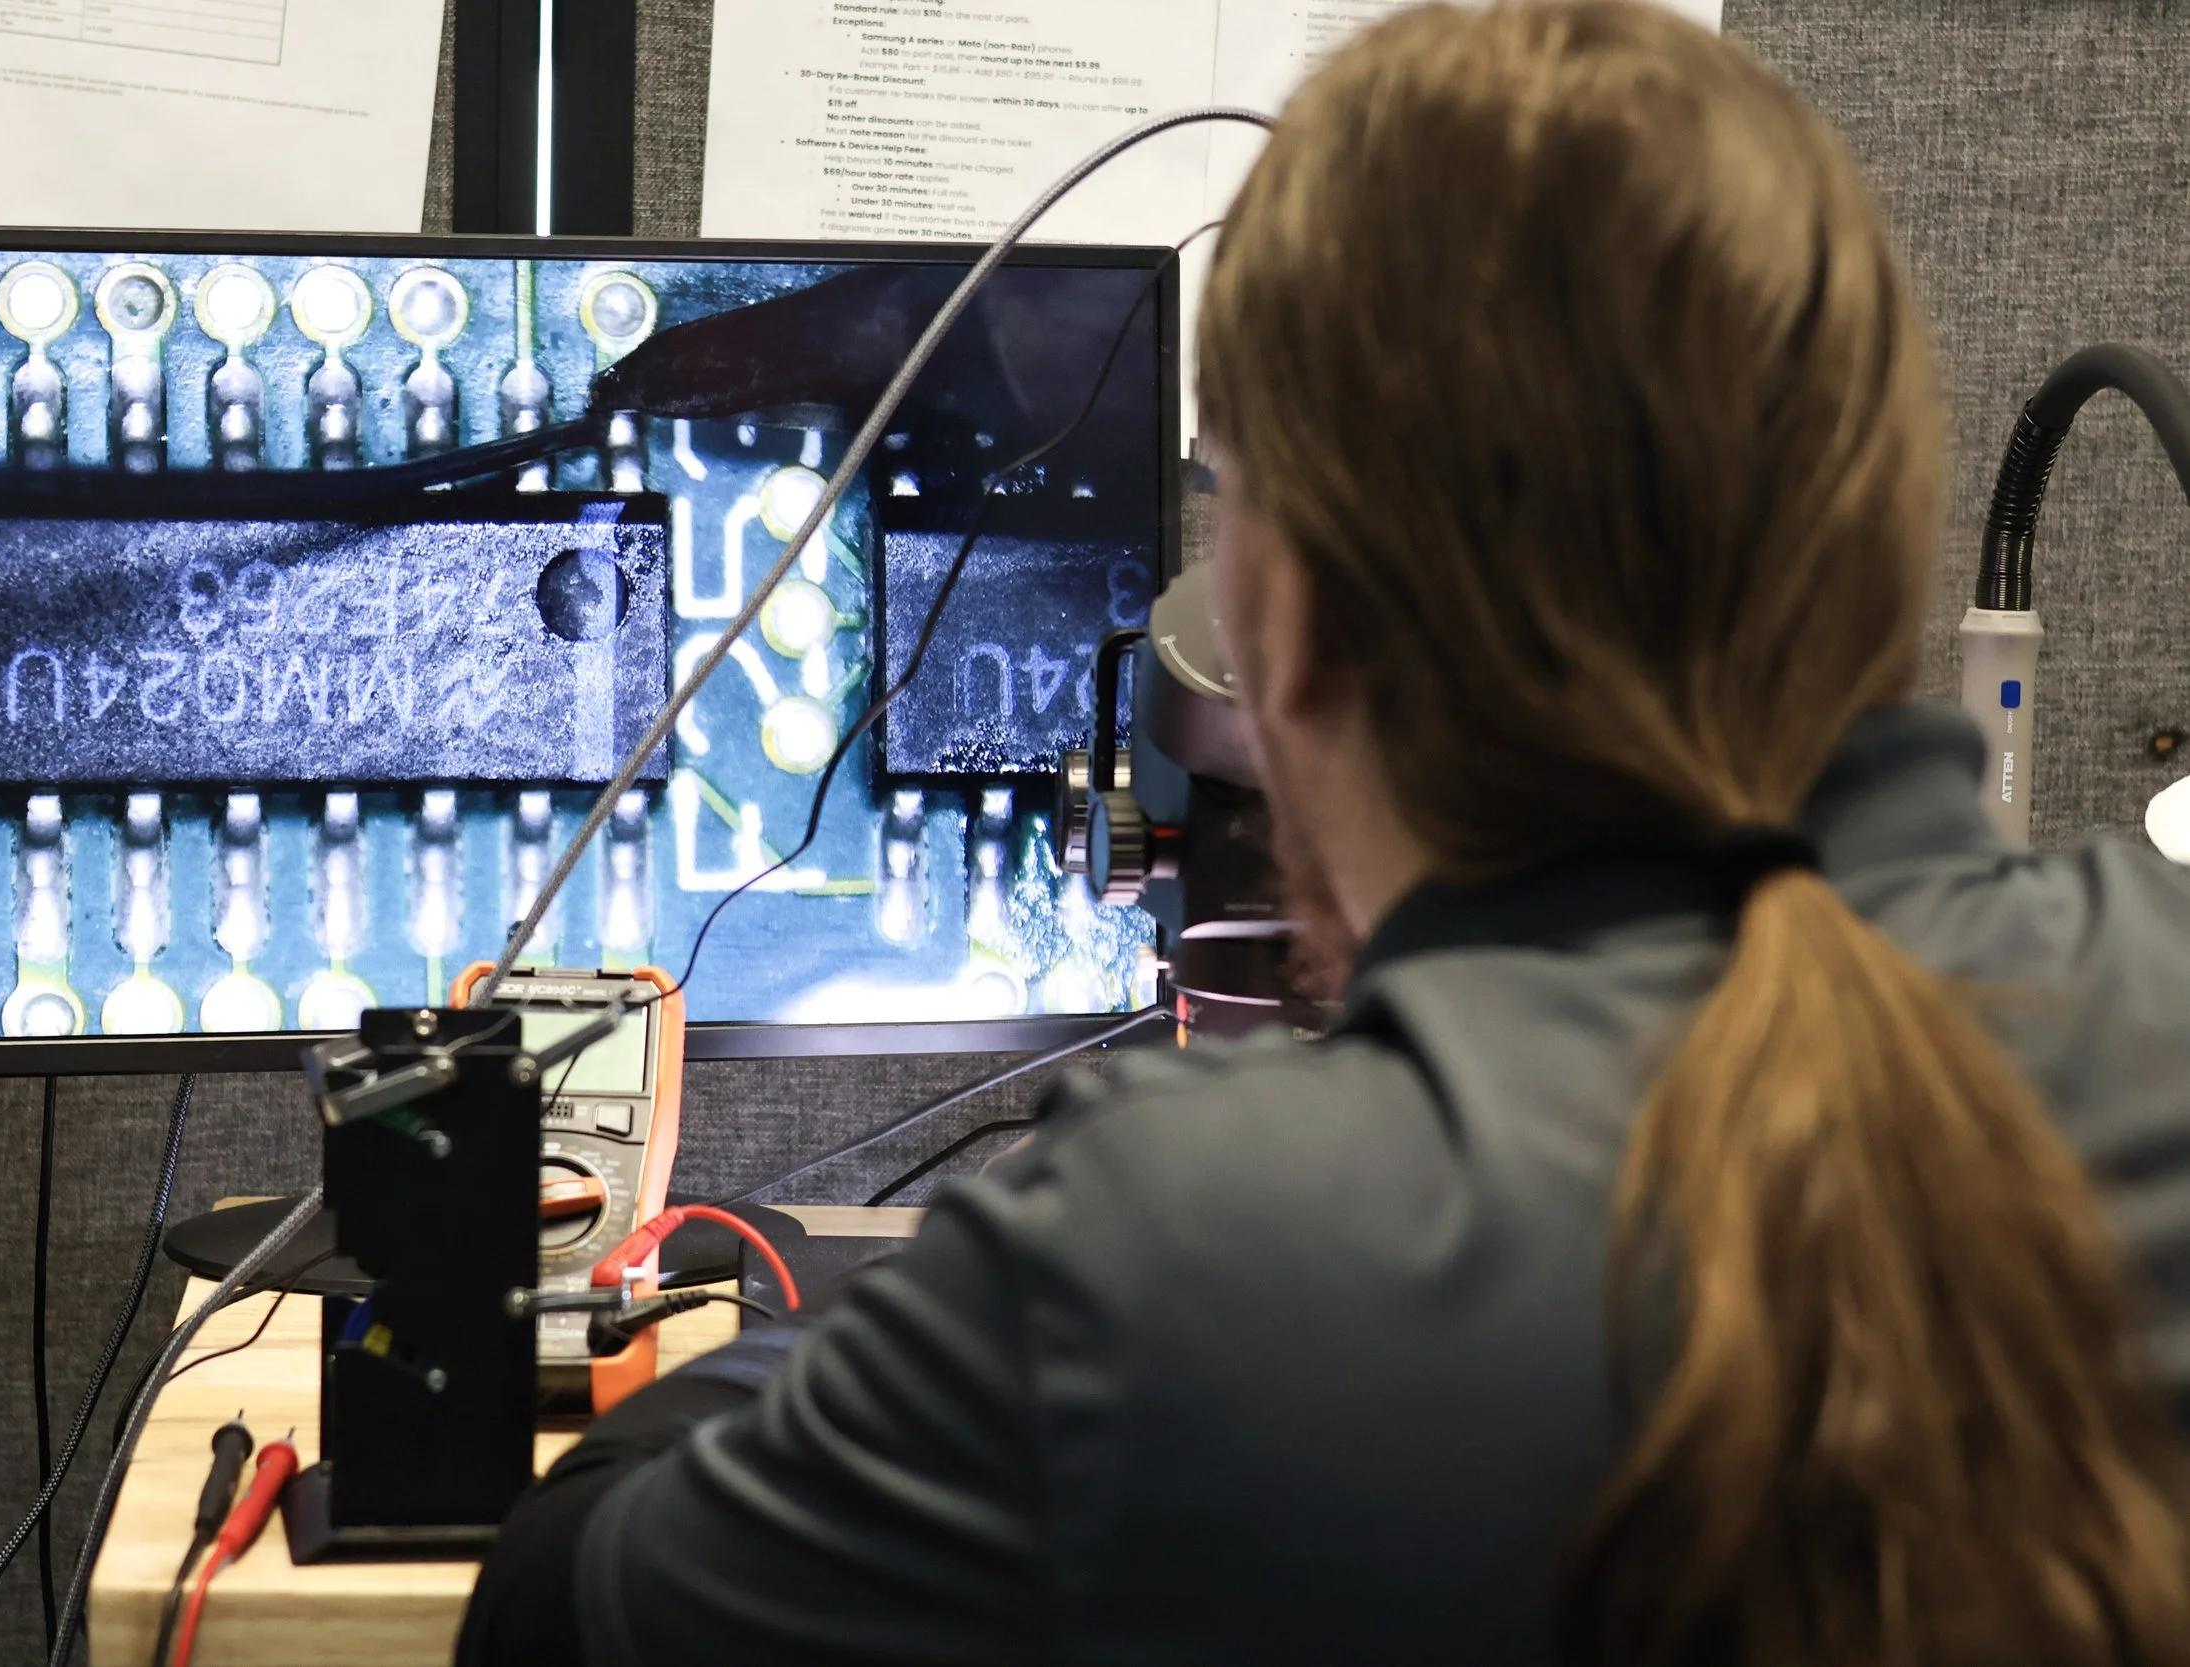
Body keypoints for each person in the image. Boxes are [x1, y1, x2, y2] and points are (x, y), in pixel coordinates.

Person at [458, 2, 2190, 1661]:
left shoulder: (1173, 1262)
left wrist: (828, 1348)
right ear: (1880, 524)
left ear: (1268, 621)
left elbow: (554, 1610)